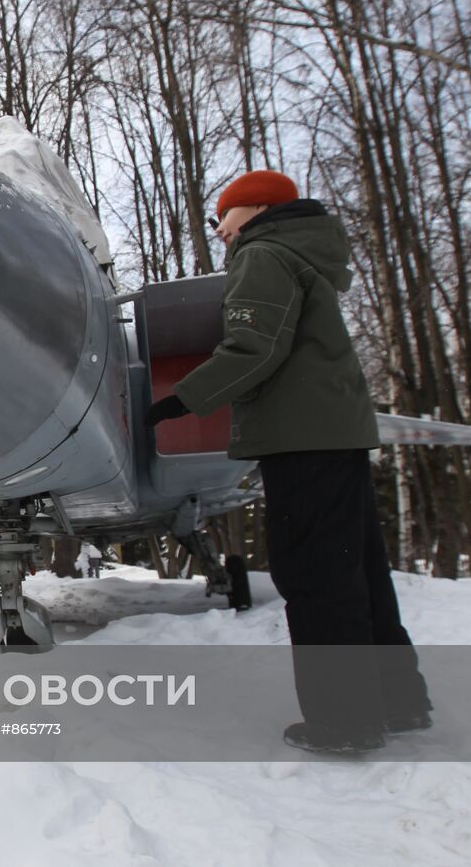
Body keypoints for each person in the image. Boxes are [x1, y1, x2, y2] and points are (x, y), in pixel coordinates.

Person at [145, 170, 431, 755]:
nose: (220, 230)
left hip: (300, 444)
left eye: (222, 216)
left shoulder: (263, 255)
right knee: (360, 571)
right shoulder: (307, 255)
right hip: (337, 436)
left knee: (316, 577)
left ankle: (344, 721)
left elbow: (254, 348)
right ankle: (398, 700)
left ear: (251, 209)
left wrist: (180, 399)